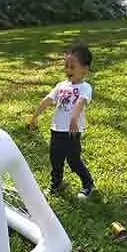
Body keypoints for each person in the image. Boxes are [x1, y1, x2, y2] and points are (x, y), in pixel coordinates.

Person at [29, 43, 95, 201]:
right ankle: (55, 183)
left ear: (85, 69)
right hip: (56, 130)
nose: (68, 70)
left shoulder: (85, 87)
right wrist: (35, 116)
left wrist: (73, 118)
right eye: (66, 66)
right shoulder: (61, 86)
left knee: (73, 161)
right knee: (55, 159)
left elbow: (80, 103)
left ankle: (88, 183)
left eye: (72, 67)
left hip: (72, 131)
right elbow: (47, 100)